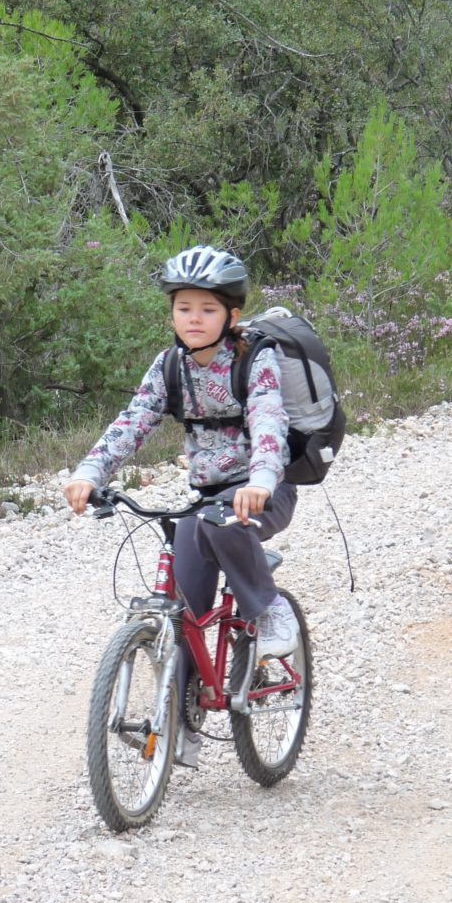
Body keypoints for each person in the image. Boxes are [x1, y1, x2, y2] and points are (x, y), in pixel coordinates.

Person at [64, 245, 299, 768]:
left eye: (208, 310)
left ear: (231, 316)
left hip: (265, 491)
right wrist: (90, 472)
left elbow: (268, 424)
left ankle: (269, 608)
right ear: (171, 313)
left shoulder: (254, 360)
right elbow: (133, 421)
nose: (194, 319)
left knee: (222, 523)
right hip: (208, 498)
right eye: (184, 308)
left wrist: (260, 479)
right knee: (185, 610)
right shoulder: (169, 366)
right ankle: (181, 727)